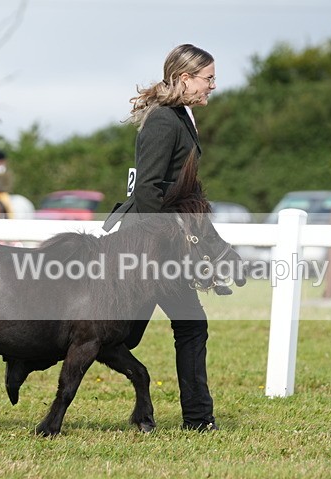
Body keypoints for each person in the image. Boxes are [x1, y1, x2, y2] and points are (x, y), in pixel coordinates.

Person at [102, 43, 220, 431]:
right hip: (148, 245)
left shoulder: (181, 116)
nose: (212, 86)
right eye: (208, 78)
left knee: (150, 331)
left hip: (158, 244)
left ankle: (198, 419)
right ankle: (197, 419)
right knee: (128, 334)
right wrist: (166, 248)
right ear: (185, 79)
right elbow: (148, 192)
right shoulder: (163, 121)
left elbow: (180, 191)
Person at [0, 150, 15, 218]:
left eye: (1, 161)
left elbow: (9, 186)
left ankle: (10, 218)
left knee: (7, 205)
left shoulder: (8, 173)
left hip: (3, 193)